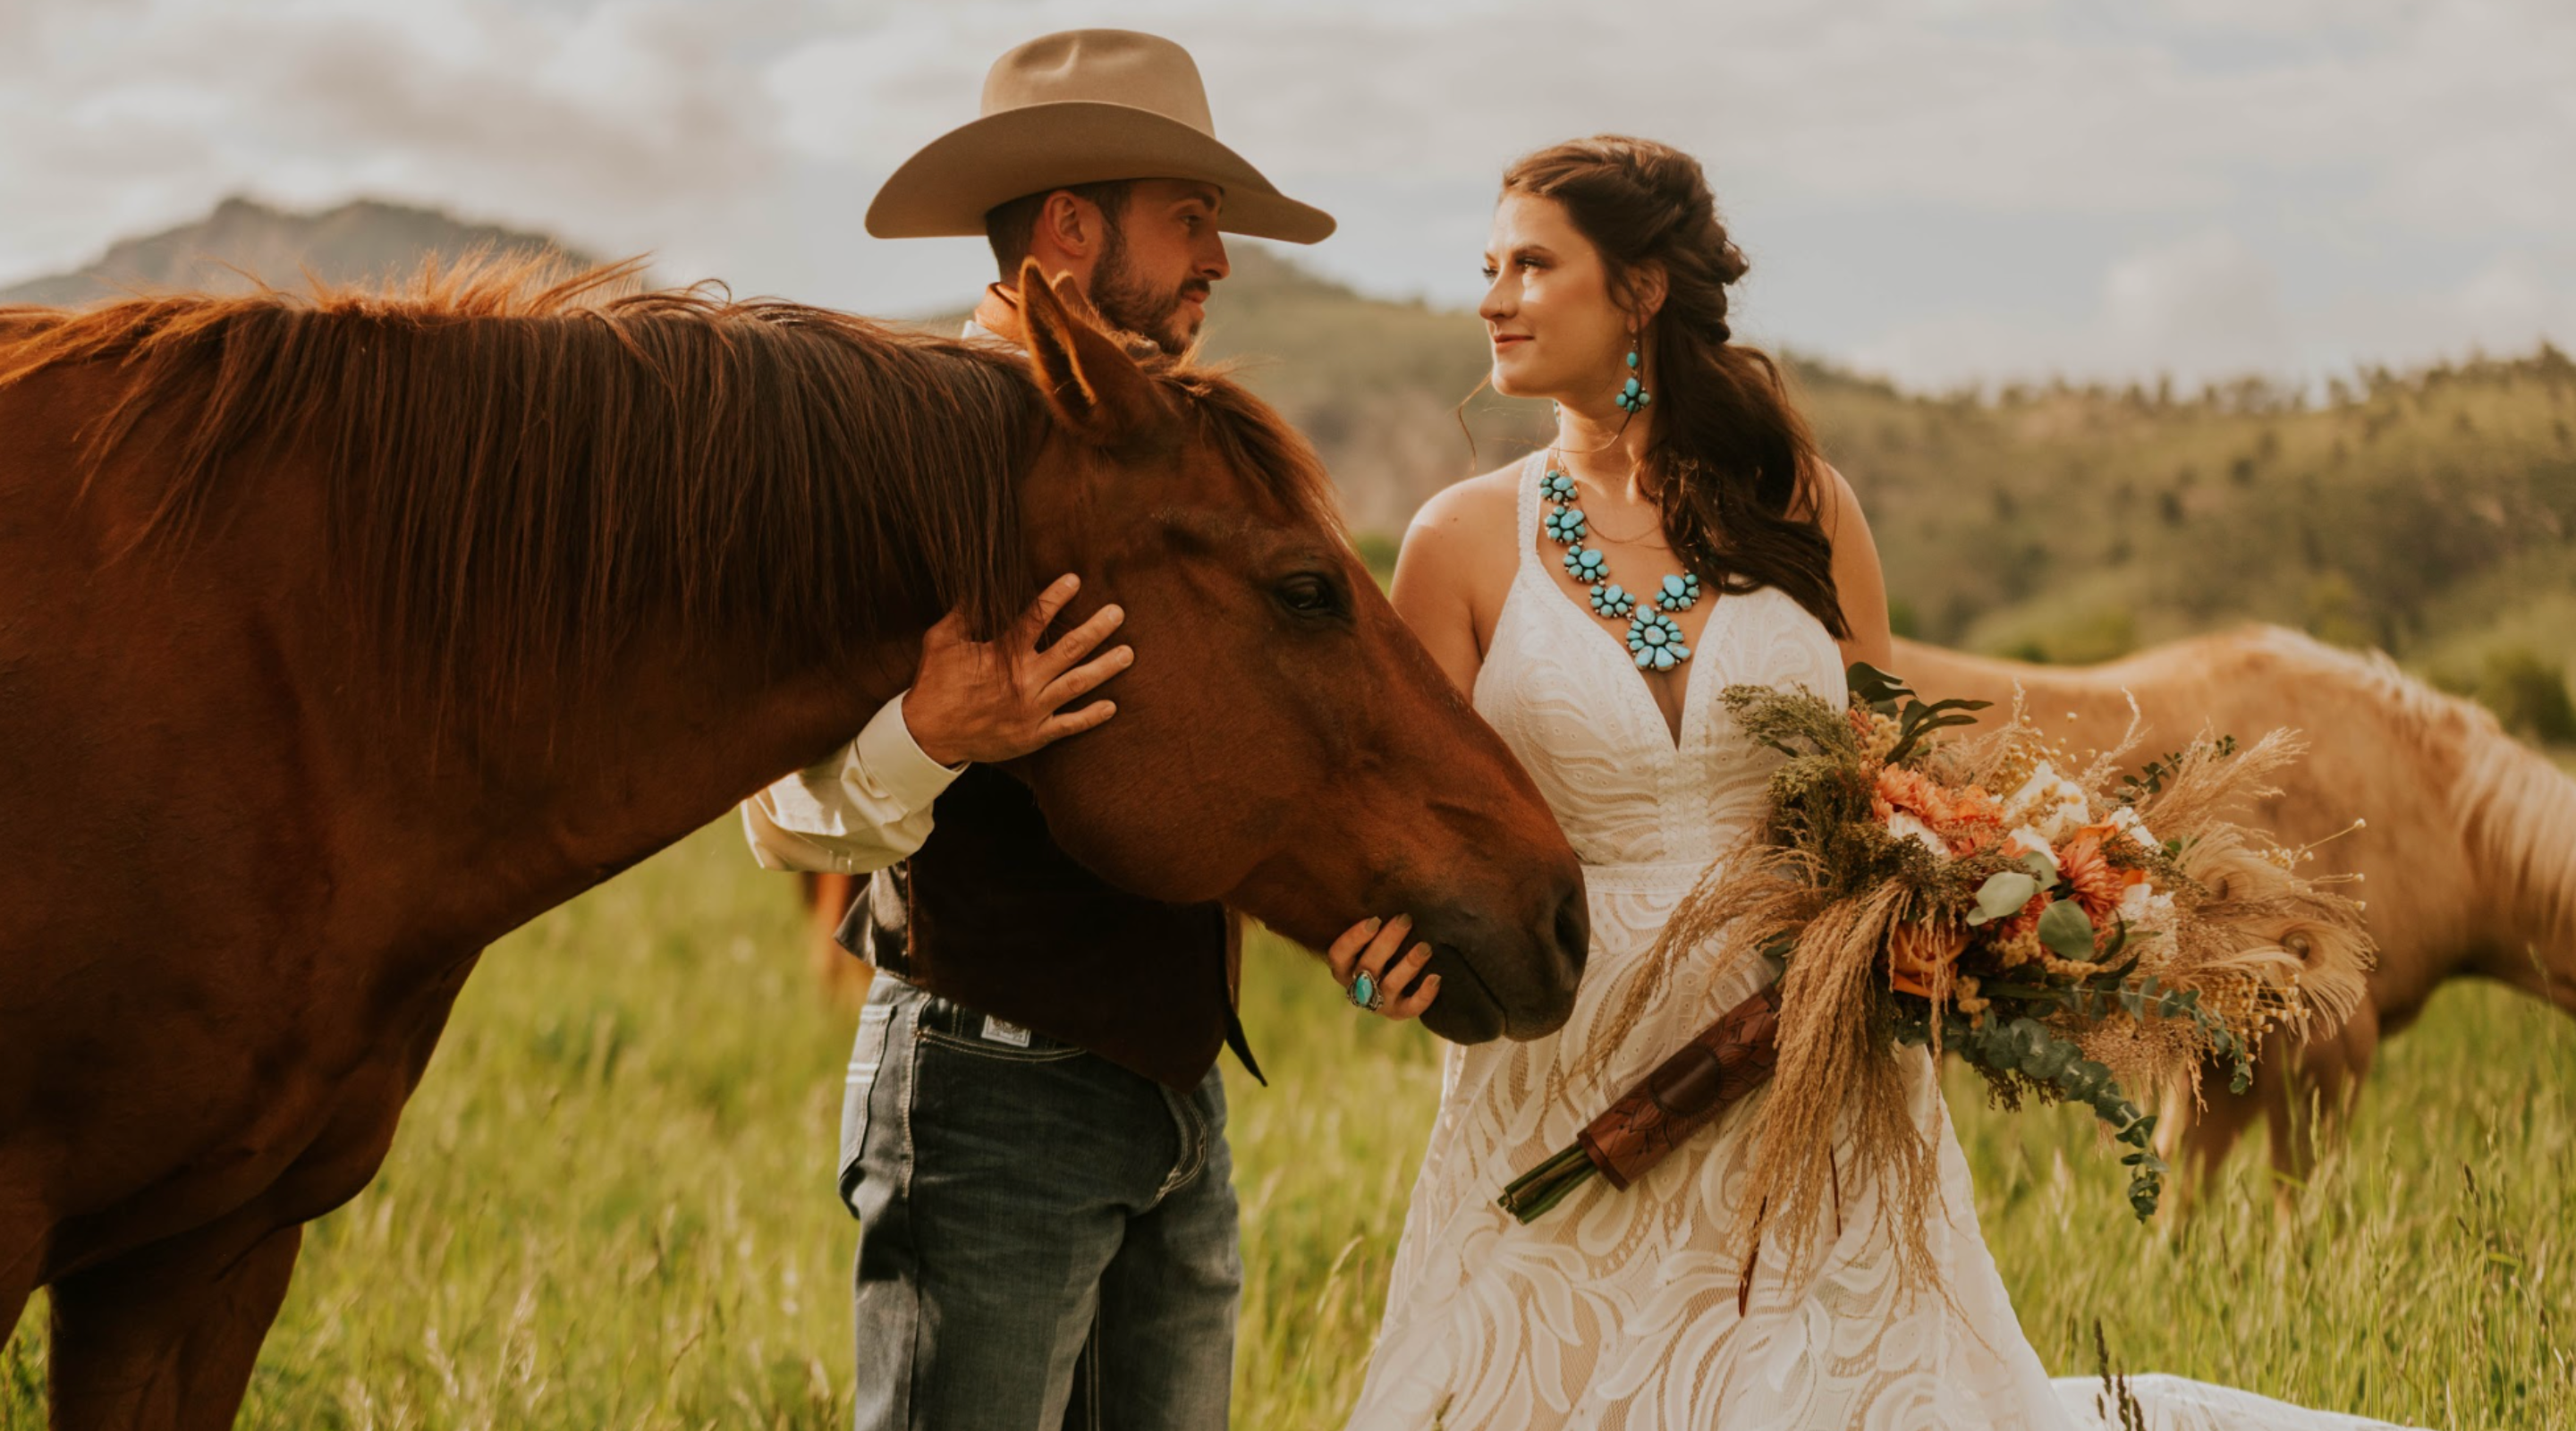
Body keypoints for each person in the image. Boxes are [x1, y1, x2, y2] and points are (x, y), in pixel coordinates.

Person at [1330, 135, 2412, 1430]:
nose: (1493, 298)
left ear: (1642, 290)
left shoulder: (1801, 506)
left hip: (1802, 1041)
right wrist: (1371, 968)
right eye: (1487, 266)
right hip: (1566, 1052)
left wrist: (1961, 907)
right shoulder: (1457, 541)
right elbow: (1399, 828)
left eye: (1531, 264)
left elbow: (1883, 786)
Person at [740, 29, 1335, 1431]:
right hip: (984, 1093)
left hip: (1180, 1097)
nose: (1221, 260)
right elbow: (773, 811)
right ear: (1072, 227)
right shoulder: (902, 448)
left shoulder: (1168, 453)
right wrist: (933, 730)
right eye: (1192, 219)